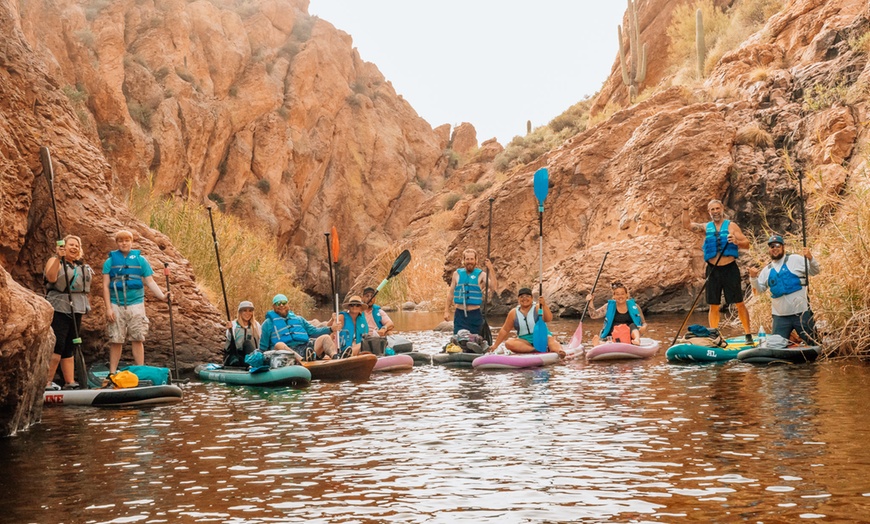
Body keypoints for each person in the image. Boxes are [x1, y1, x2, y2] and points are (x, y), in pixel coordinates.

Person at [682, 199, 753, 343]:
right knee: (713, 305)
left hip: (730, 269)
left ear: (722, 209)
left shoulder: (732, 226)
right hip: (713, 270)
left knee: (739, 302)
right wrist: (685, 209)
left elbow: (747, 244)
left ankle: (748, 334)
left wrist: (737, 242)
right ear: (709, 212)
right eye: (712, 209)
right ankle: (714, 334)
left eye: (717, 208)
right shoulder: (705, 227)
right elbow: (687, 225)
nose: (715, 211)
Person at [102, 230, 167, 374]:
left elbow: (150, 281)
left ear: (131, 242)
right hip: (116, 304)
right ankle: (112, 372)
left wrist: (162, 297)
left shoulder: (141, 260)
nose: (124, 243)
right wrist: (108, 308)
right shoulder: (110, 261)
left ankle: (140, 370)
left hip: (136, 304)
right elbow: (105, 286)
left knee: (138, 337)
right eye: (120, 241)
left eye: (127, 240)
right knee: (116, 339)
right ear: (117, 243)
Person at [749, 235, 821, 344]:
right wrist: (753, 278)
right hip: (780, 317)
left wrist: (810, 258)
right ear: (769, 250)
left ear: (783, 247)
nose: (775, 248)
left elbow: (815, 271)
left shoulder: (795, 259)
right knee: (776, 346)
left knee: (814, 343)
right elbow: (759, 291)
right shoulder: (766, 271)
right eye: (772, 246)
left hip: (801, 314)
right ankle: (791, 343)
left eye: (778, 245)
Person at [44, 235, 93, 390]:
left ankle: (69, 382)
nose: (74, 248)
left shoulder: (79, 265)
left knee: (70, 345)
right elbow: (51, 278)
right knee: (58, 344)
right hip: (59, 306)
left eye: (77, 246)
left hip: (77, 307)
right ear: (64, 247)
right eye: (71, 245)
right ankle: (46, 382)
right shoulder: (55, 261)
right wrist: (59, 257)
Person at [259, 294, 340, 362]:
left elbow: (314, 331)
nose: (281, 305)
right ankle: (302, 360)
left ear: (288, 304)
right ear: (273, 306)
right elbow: (263, 347)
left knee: (325, 337)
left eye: (284, 303)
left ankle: (336, 356)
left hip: (305, 348)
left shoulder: (299, 319)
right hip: (286, 352)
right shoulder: (268, 324)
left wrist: (331, 329)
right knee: (279, 344)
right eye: (278, 303)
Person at [490, 287, 565, 357]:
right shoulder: (513, 313)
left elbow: (548, 319)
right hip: (525, 340)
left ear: (532, 298)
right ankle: (535, 350)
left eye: (527, 296)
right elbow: (505, 330)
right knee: (508, 343)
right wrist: (495, 345)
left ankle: (559, 351)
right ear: (518, 299)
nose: (524, 298)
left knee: (550, 340)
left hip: (542, 336)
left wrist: (544, 305)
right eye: (521, 297)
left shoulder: (538, 307)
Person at [443, 248, 496, 334]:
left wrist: (490, 268)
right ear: (463, 260)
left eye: (472, 259)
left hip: (475, 314)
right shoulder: (456, 274)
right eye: (467, 259)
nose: (469, 261)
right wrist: (446, 311)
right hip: (460, 314)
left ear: (476, 260)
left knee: (476, 341)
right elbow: (451, 293)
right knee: (459, 340)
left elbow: (493, 287)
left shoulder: (481, 275)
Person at [224, 300, 262, 367]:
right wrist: (229, 330)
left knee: (247, 343)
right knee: (237, 360)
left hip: (251, 356)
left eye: (250, 311)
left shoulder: (256, 325)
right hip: (236, 357)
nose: (248, 313)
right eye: (245, 310)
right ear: (240, 312)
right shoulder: (233, 325)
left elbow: (260, 342)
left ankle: (253, 363)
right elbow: (229, 340)